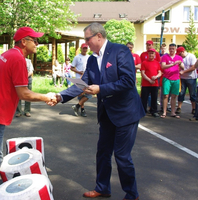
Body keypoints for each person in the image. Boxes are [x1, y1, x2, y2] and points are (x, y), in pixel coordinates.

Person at [56, 22, 144, 200]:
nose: (86, 43)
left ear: (98, 36)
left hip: (126, 113)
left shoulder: (120, 51)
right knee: (103, 152)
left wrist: (101, 89)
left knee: (122, 156)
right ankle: (102, 188)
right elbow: (83, 83)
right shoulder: (91, 59)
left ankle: (132, 193)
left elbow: (128, 81)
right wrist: (59, 96)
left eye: (87, 39)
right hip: (106, 114)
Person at [0, 27, 56, 200]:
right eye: (34, 40)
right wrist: (46, 97)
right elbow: (24, 94)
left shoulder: (7, 54)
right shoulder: (18, 59)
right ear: (23, 41)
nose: (37, 44)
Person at [160, 43, 184, 118]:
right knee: (165, 95)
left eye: (173, 49)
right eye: (170, 49)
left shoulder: (179, 57)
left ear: (175, 49)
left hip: (176, 78)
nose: (171, 50)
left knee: (174, 96)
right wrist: (173, 64)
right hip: (167, 78)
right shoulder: (165, 57)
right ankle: (164, 112)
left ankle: (173, 112)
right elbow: (163, 66)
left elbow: (183, 67)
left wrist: (179, 64)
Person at [71, 43, 91, 117]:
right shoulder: (77, 57)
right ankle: (82, 110)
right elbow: (72, 67)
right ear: (81, 48)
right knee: (80, 94)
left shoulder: (89, 57)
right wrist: (79, 72)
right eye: (84, 48)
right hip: (79, 78)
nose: (85, 50)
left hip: (87, 78)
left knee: (89, 94)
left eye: (86, 48)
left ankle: (77, 106)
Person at [175, 46, 197, 114]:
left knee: (192, 93)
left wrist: (184, 71)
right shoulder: (180, 58)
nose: (179, 55)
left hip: (191, 78)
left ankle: (194, 108)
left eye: (180, 53)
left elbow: (193, 67)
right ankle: (179, 107)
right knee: (181, 93)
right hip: (182, 78)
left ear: (183, 51)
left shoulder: (191, 57)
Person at [140, 48, 162, 117]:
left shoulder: (157, 63)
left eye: (152, 53)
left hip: (155, 84)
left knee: (154, 98)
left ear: (155, 54)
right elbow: (142, 73)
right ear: (148, 54)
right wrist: (149, 80)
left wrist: (156, 77)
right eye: (150, 53)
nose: (151, 54)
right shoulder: (144, 62)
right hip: (146, 84)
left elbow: (160, 72)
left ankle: (154, 111)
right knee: (144, 98)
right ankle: (143, 110)